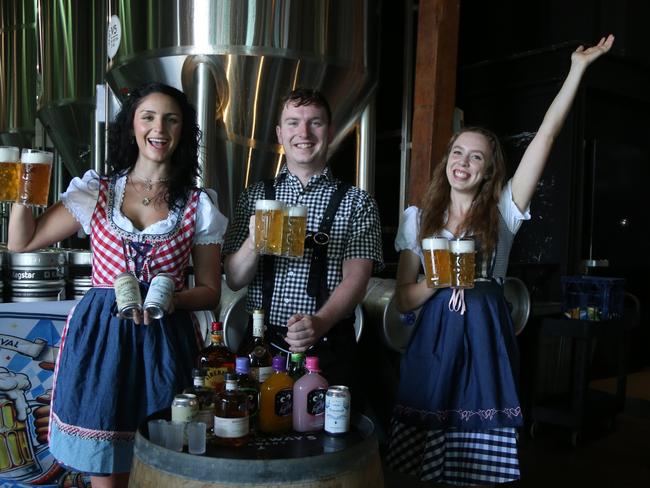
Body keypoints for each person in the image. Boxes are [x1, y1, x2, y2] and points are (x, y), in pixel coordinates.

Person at [385, 35, 614, 486]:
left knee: (478, 465)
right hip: (432, 339)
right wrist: (439, 282)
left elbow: (546, 137)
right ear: (447, 162)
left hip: (484, 335)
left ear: (489, 170)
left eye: (476, 156)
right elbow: (404, 300)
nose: (463, 162)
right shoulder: (418, 220)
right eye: (457, 152)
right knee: (421, 465)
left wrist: (576, 72)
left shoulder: (504, 212)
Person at [7, 82, 227, 487]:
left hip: (165, 338)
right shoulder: (96, 191)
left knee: (163, 465)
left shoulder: (199, 205)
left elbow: (211, 290)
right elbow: (22, 241)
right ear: (132, 127)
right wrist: (23, 190)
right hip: (102, 340)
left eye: (171, 119)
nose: (159, 127)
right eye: (148, 116)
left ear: (182, 131)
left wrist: (174, 300)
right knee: (106, 468)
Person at [223, 88, 383, 403]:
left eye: (315, 123)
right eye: (293, 123)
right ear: (280, 133)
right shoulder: (254, 196)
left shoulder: (357, 201)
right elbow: (234, 277)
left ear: (331, 130)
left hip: (330, 346)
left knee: (325, 441)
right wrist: (255, 242)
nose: (304, 133)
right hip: (261, 344)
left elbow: (357, 277)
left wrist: (320, 322)